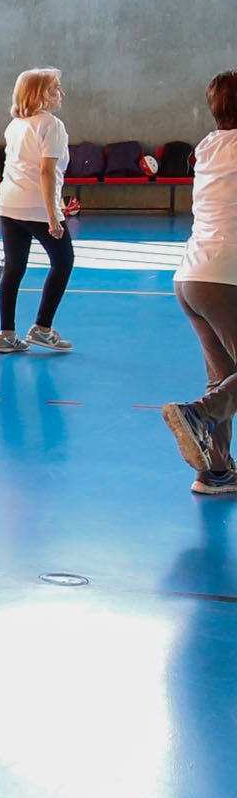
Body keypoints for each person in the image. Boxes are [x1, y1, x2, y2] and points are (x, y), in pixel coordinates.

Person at [162, 71, 237, 495]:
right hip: (226, 277)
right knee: (219, 391)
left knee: (223, 375)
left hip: (191, 276)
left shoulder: (209, 146)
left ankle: (217, 472)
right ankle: (199, 414)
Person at [0, 68, 76, 354]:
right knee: (63, 261)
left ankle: (6, 334)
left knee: (14, 267)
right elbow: (45, 171)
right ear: (41, 95)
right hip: (36, 206)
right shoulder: (51, 125)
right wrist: (53, 215)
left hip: (9, 203)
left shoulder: (15, 125)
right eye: (55, 89)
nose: (61, 94)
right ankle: (42, 328)